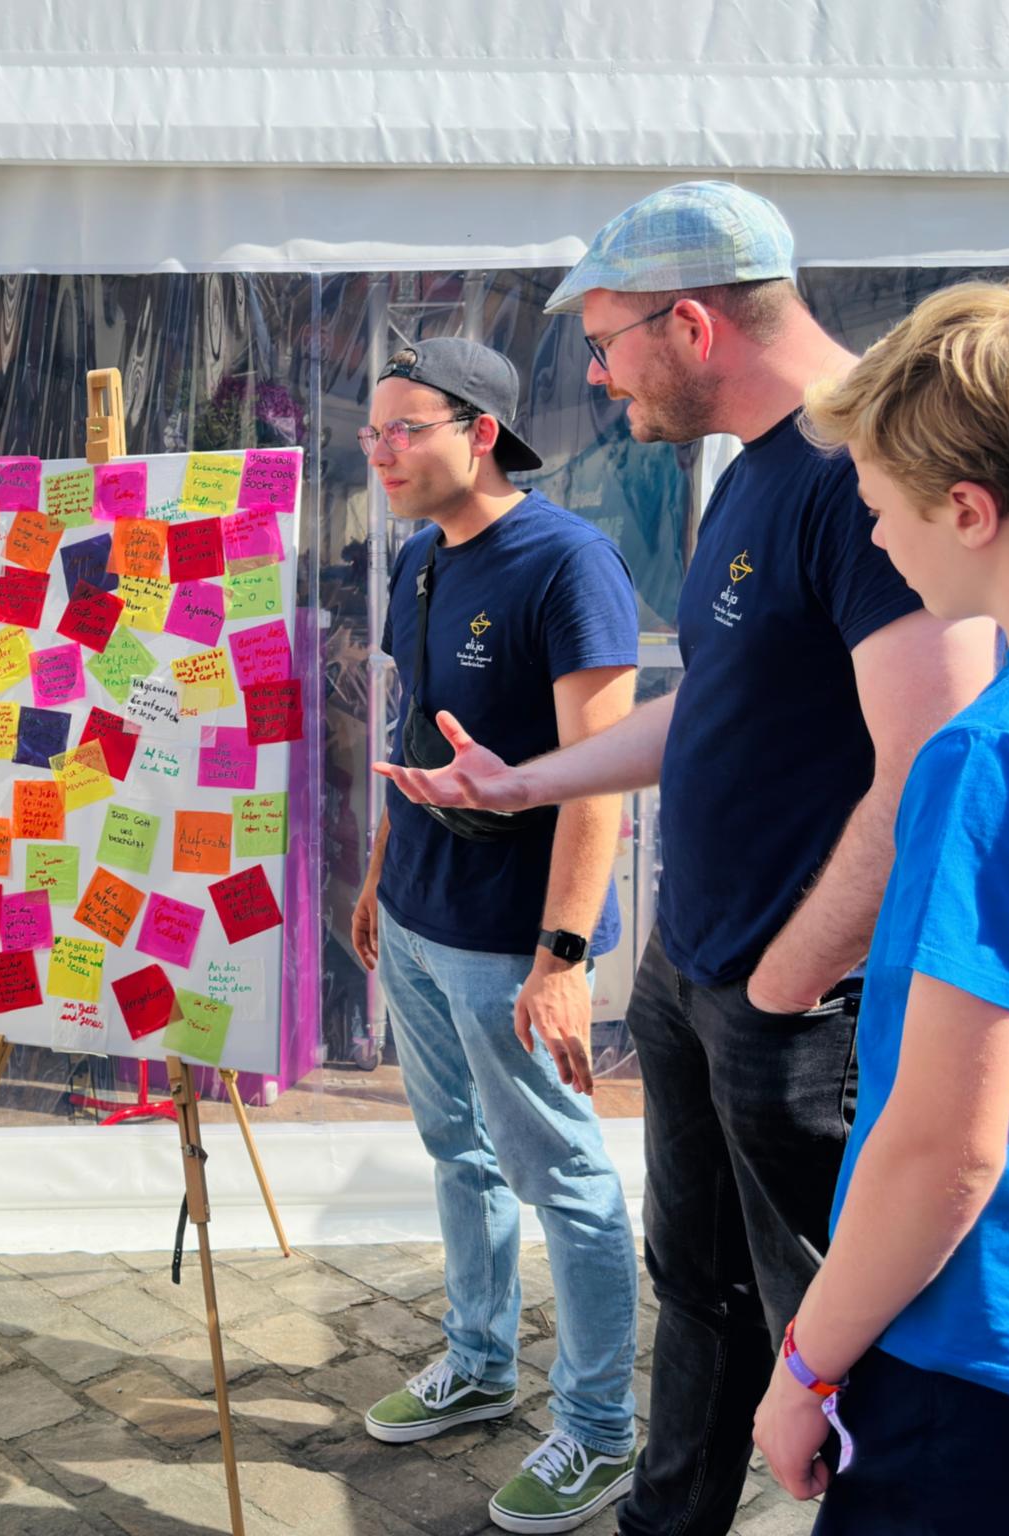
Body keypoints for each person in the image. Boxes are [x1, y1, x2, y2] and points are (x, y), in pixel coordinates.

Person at [372, 183, 997, 1536]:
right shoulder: (752, 471)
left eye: (607, 344)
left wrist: (786, 982)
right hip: (698, 972)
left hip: (796, 1008)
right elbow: (712, 706)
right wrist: (528, 777)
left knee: (835, 1341)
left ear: (696, 326)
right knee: (697, 1291)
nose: (594, 378)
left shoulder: (858, 475)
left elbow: (932, 770)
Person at [751, 276, 1009, 1529]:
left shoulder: (999, 751)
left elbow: (944, 1144)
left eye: (879, 510)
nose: (876, 542)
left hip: (992, 1353)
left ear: (966, 508)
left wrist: (804, 1365)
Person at [352, 339, 642, 1534]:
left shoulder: (565, 564)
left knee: (560, 1171)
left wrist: (562, 959)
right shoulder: (418, 559)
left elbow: (598, 781)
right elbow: (409, 732)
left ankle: (597, 1429)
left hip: (511, 938)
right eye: (369, 433)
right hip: (420, 916)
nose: (378, 452)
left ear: (479, 432)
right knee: (456, 1151)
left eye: (402, 428)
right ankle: (478, 1361)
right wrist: (376, 878)